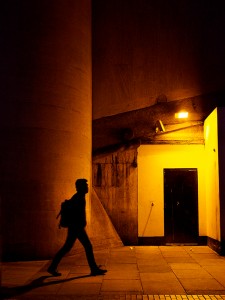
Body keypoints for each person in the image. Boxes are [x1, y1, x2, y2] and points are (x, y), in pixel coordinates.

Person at [47, 178, 107, 276]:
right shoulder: (78, 198)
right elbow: (77, 214)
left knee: (67, 247)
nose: (87, 187)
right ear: (80, 187)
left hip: (75, 227)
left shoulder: (79, 197)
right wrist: (81, 223)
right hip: (77, 228)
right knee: (87, 246)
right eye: (85, 186)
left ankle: (52, 267)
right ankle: (94, 269)